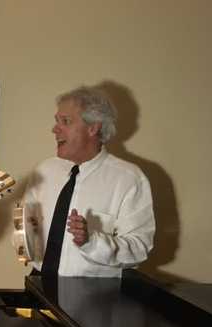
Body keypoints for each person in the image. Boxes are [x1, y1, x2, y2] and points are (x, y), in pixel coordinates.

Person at [23, 86, 155, 277]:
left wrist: (91, 242)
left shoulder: (129, 179)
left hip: (94, 290)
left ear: (93, 128)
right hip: (37, 282)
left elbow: (139, 248)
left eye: (65, 121)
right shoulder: (44, 171)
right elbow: (26, 227)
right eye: (57, 121)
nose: (55, 129)